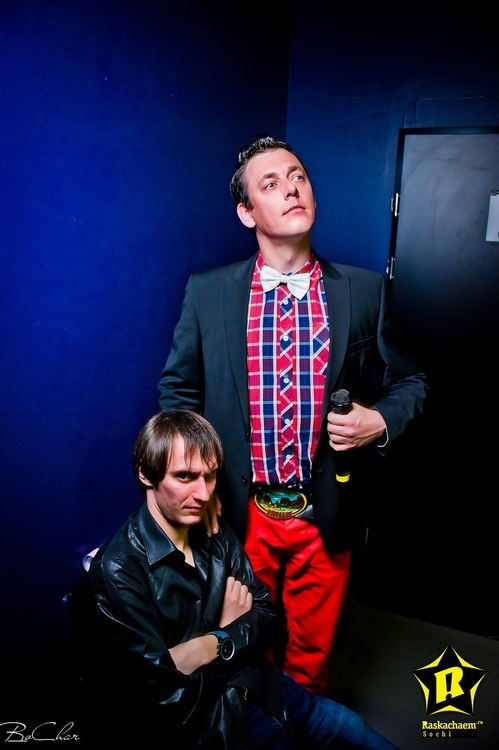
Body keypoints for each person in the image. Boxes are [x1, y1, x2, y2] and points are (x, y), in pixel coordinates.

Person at [157, 134, 428, 695]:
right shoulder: (209, 293)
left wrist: (380, 421)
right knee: (242, 645)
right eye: (271, 183)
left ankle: (300, 726)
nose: (291, 189)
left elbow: (412, 381)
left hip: (325, 511)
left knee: (310, 662)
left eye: (298, 176)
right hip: (239, 514)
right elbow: (179, 395)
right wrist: (194, 488)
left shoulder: (365, 290)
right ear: (247, 212)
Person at [83, 409, 399, 749]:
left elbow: (267, 617)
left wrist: (210, 644)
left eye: (210, 476)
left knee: (363, 735)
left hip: (273, 692)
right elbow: (165, 698)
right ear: (146, 473)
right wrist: (231, 634)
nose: (204, 494)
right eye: (185, 477)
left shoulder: (212, 529)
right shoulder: (119, 570)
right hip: (220, 726)